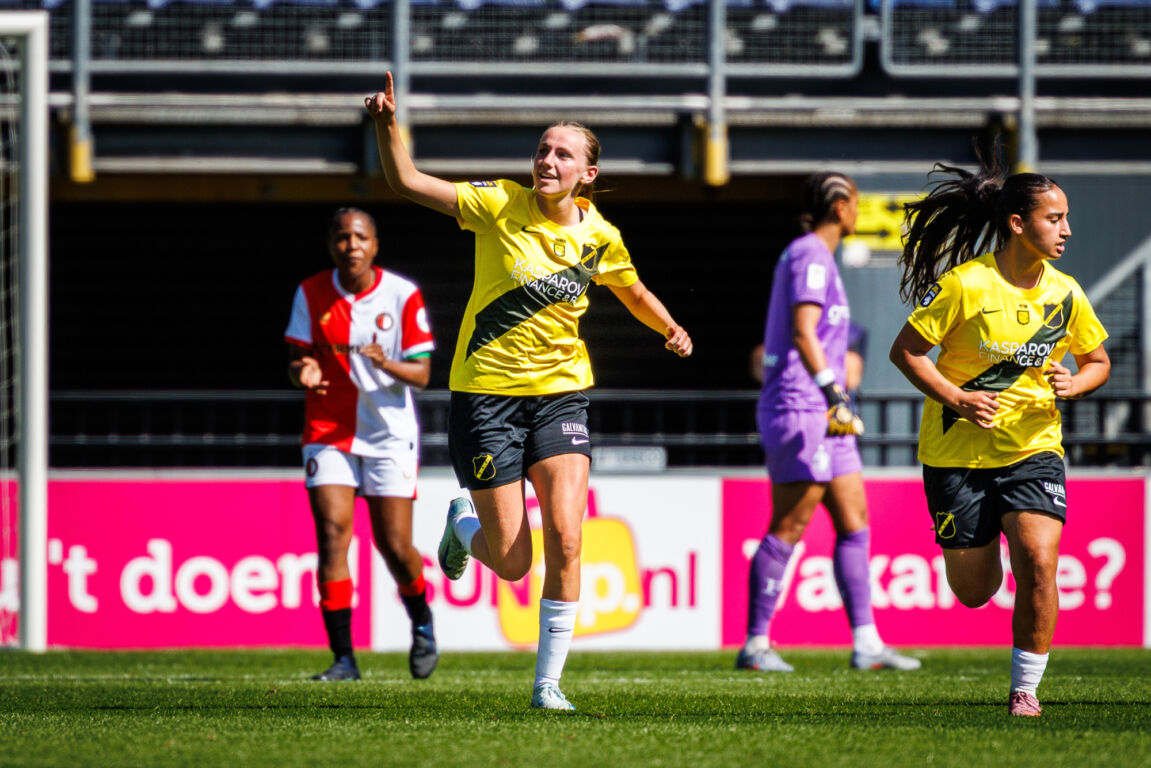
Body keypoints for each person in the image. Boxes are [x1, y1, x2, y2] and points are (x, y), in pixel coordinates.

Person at [365, 73, 693, 711]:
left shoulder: (600, 237)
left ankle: (548, 685)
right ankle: (463, 522)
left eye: (562, 154)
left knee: (569, 537)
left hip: (562, 397)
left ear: (587, 175)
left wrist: (671, 327)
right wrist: (386, 125)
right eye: (543, 150)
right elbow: (405, 183)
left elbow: (633, 291)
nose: (547, 160)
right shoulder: (499, 205)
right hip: (486, 399)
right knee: (514, 563)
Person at [888, 153, 1110, 716]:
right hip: (955, 457)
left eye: (1065, 218)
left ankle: (1024, 690)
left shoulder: (1067, 293)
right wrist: (958, 398)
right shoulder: (966, 284)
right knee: (974, 592)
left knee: (1038, 560)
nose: (1066, 229)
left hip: (1034, 450)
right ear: (1017, 223)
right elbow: (907, 352)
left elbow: (1098, 361)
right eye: (1053, 218)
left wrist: (1075, 382)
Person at [738, 172, 920, 674]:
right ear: (840, 206)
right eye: (856, 203)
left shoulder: (820, 259)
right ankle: (755, 645)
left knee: (855, 523)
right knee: (790, 525)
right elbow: (802, 332)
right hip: (804, 407)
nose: (857, 213)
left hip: (827, 412)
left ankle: (866, 643)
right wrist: (834, 392)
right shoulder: (809, 255)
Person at [284, 207, 439, 682]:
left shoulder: (401, 294)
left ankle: (422, 620)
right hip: (328, 431)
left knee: (394, 547)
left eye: (360, 237)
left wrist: (385, 363)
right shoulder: (310, 292)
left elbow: (424, 374)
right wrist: (303, 372)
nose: (351, 245)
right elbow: (298, 360)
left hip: (389, 434)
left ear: (375, 244)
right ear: (331, 244)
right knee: (333, 535)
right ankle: (344, 658)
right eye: (341, 237)